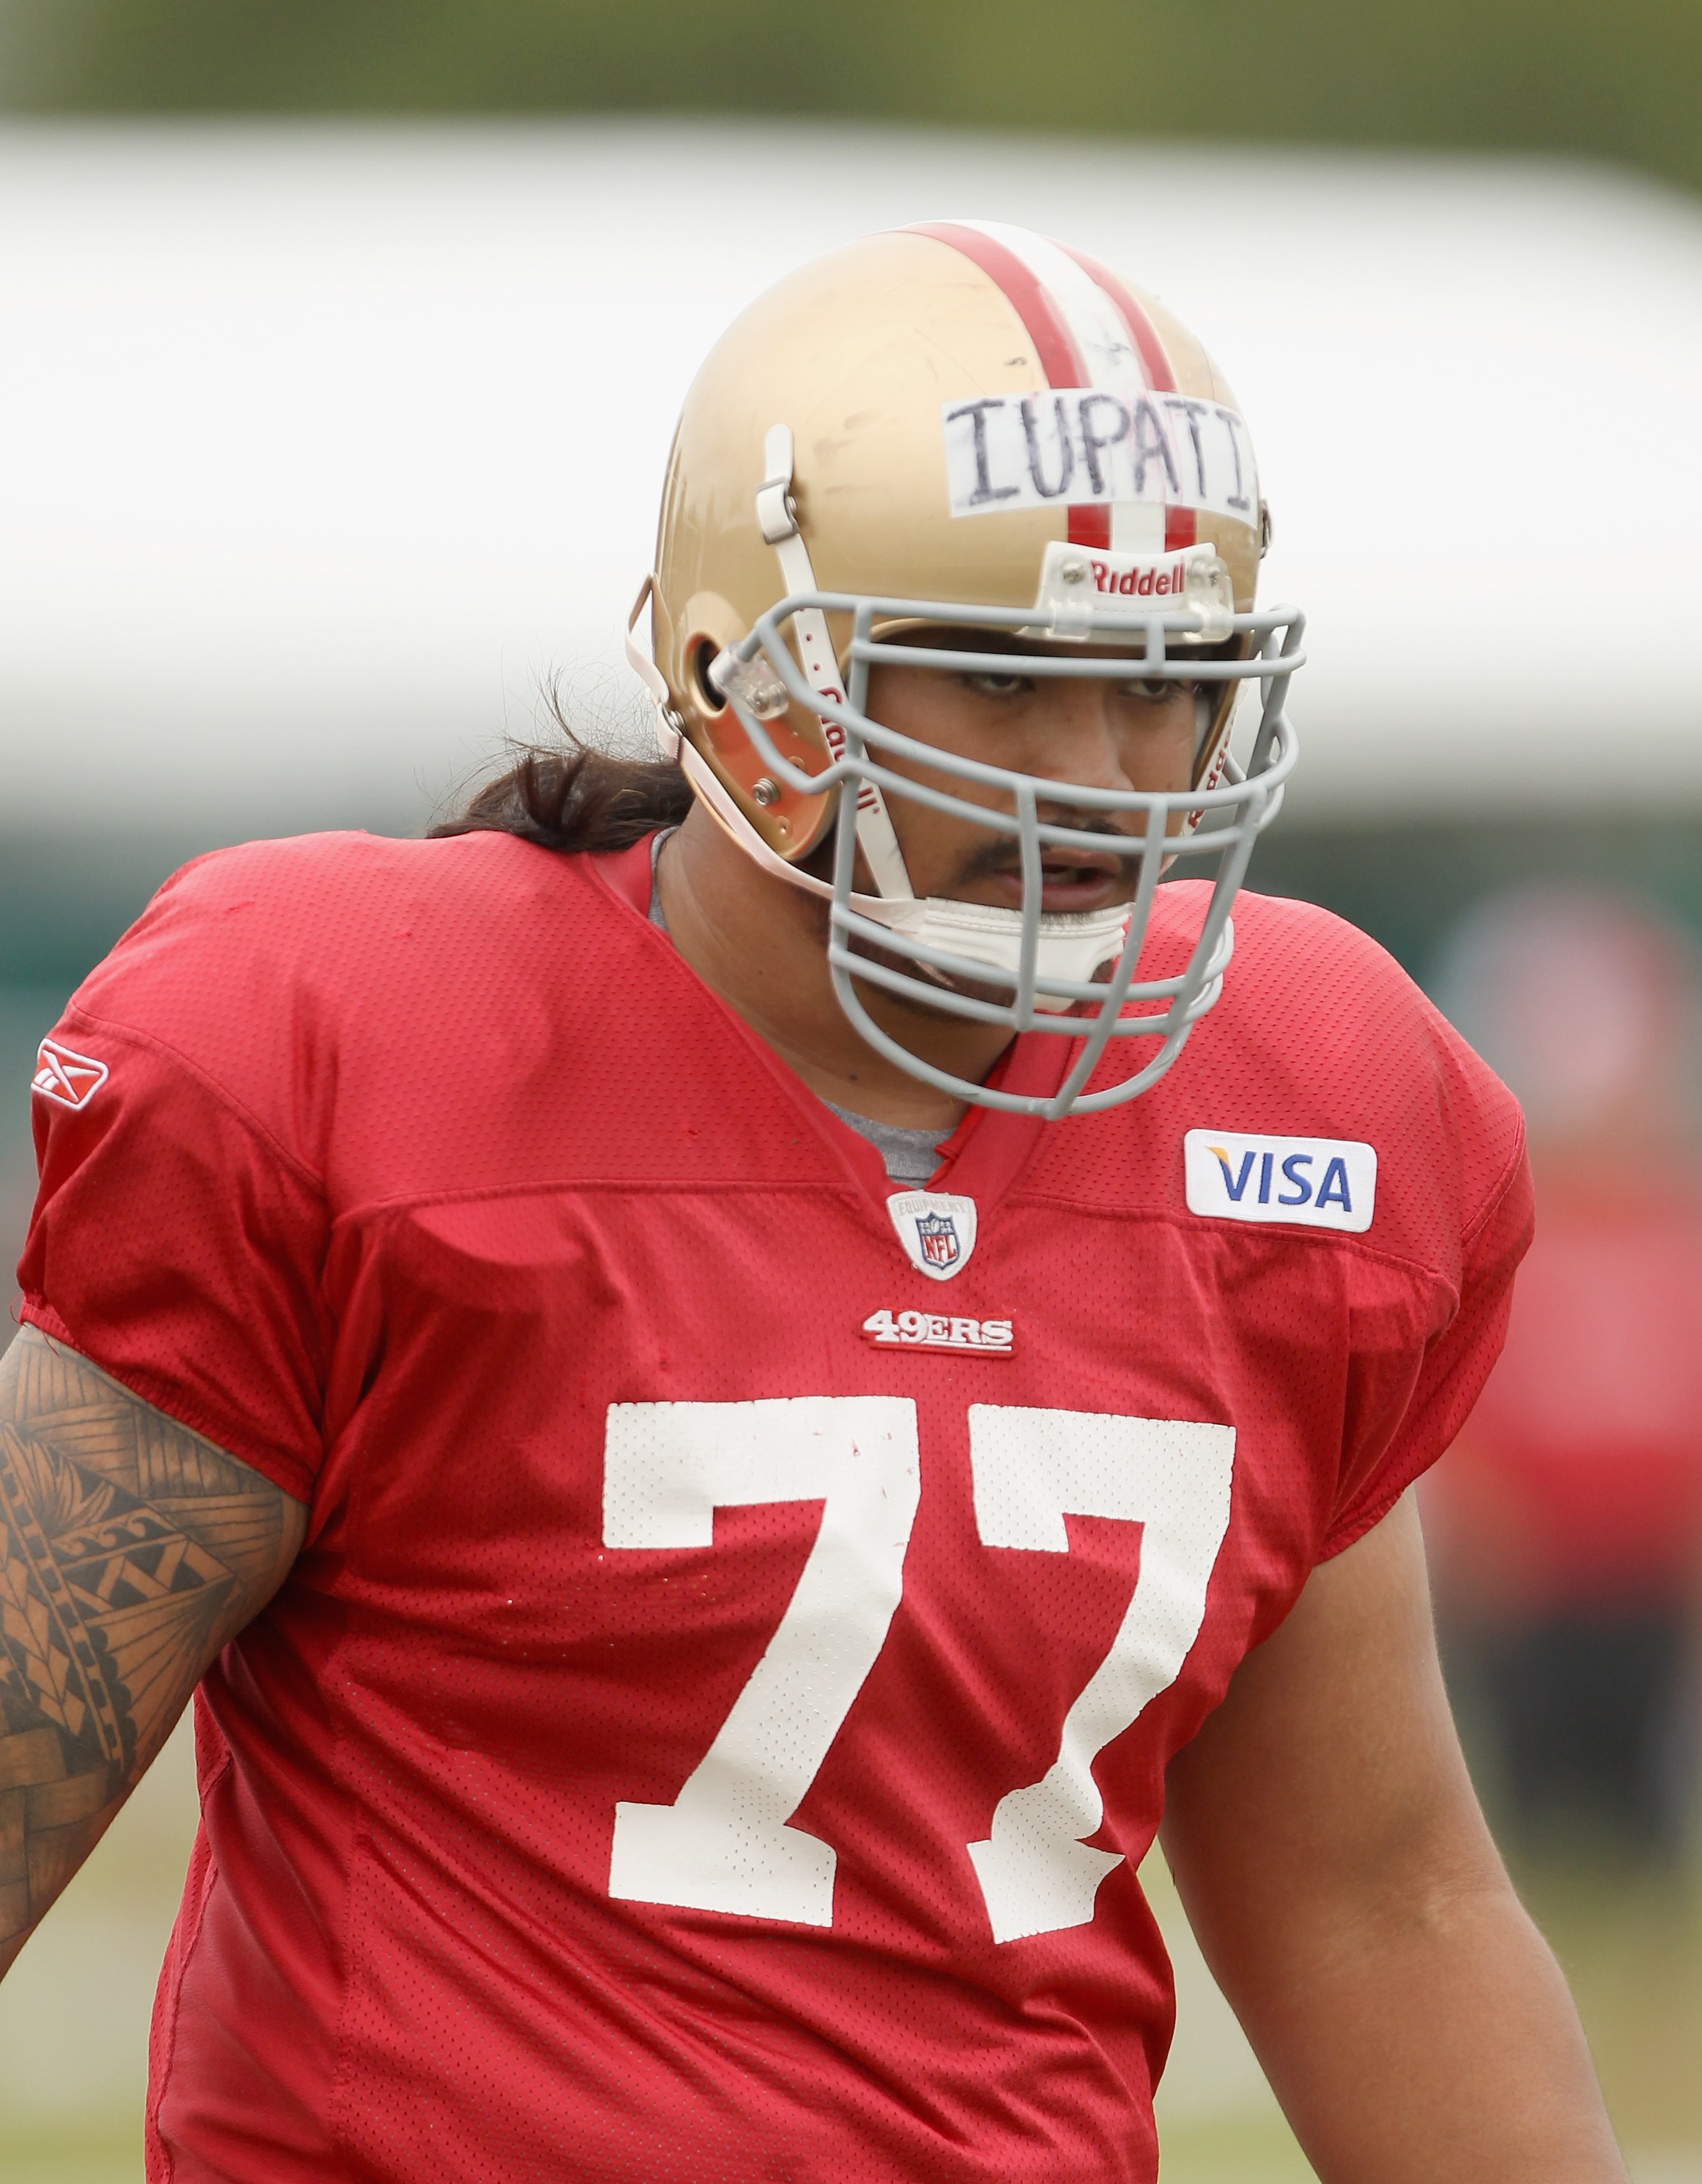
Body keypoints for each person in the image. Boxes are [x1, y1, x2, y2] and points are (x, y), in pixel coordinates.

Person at [1, 221, 1622, 2182]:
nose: (1100, 774)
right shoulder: (356, 1040)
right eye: (1002, 677)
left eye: (1161, 680)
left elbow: (1380, 1894)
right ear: (746, 673)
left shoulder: (1314, 1100)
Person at [1424, 885, 1702, 1857]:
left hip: (1654, 1583)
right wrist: (1485, 1529)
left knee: (1646, 1832)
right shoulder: (1489, 1222)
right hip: (1525, 1585)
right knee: (1526, 1828)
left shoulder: (1673, 1218)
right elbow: (1449, 1409)